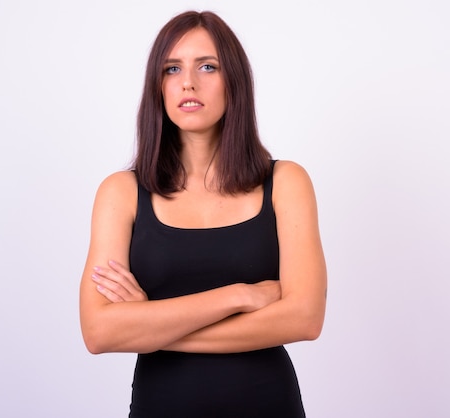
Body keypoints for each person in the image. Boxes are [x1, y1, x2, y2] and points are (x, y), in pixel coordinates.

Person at [79, 10, 327, 417]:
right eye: (172, 68)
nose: (188, 82)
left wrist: (148, 325)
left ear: (235, 81)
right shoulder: (121, 193)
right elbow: (98, 331)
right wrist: (239, 295)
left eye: (207, 66)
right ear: (157, 87)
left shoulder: (285, 182)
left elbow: (304, 318)